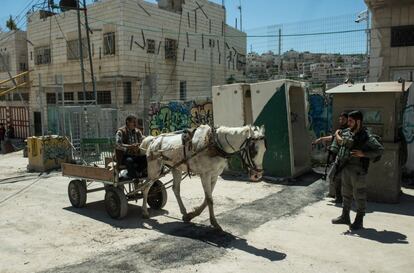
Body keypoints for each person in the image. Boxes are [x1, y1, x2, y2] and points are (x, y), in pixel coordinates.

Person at [330, 110, 384, 230]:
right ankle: (345, 216)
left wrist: (363, 154)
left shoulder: (366, 136)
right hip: (346, 167)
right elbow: (339, 142)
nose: (348, 123)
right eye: (348, 120)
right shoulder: (346, 133)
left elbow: (379, 150)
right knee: (346, 193)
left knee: (359, 195)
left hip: (358, 170)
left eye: (351, 121)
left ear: (358, 121)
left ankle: (359, 220)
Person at [313, 112, 349, 203]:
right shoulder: (341, 129)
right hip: (336, 156)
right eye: (340, 119)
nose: (341, 121)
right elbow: (333, 138)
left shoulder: (347, 130)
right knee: (336, 177)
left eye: (343, 119)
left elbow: (341, 141)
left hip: (341, 157)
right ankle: (338, 197)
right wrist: (321, 139)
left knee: (334, 176)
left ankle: (339, 197)